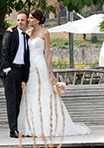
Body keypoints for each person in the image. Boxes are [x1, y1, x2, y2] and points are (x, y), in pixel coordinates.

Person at [17, 8, 90, 138]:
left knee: (45, 93)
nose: (29, 20)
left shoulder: (45, 33)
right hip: (30, 68)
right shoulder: (28, 33)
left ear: (38, 20)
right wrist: (10, 29)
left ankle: (49, 125)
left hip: (41, 65)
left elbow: (48, 55)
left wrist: (52, 74)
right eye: (28, 17)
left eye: (31, 18)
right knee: (32, 93)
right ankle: (32, 126)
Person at [0, 11, 31, 139]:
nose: (20, 22)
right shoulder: (10, 33)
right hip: (10, 71)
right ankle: (13, 130)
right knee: (11, 101)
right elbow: (4, 51)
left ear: (27, 22)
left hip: (22, 72)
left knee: (18, 101)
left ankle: (18, 127)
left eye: (22, 20)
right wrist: (7, 69)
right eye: (18, 20)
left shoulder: (27, 37)